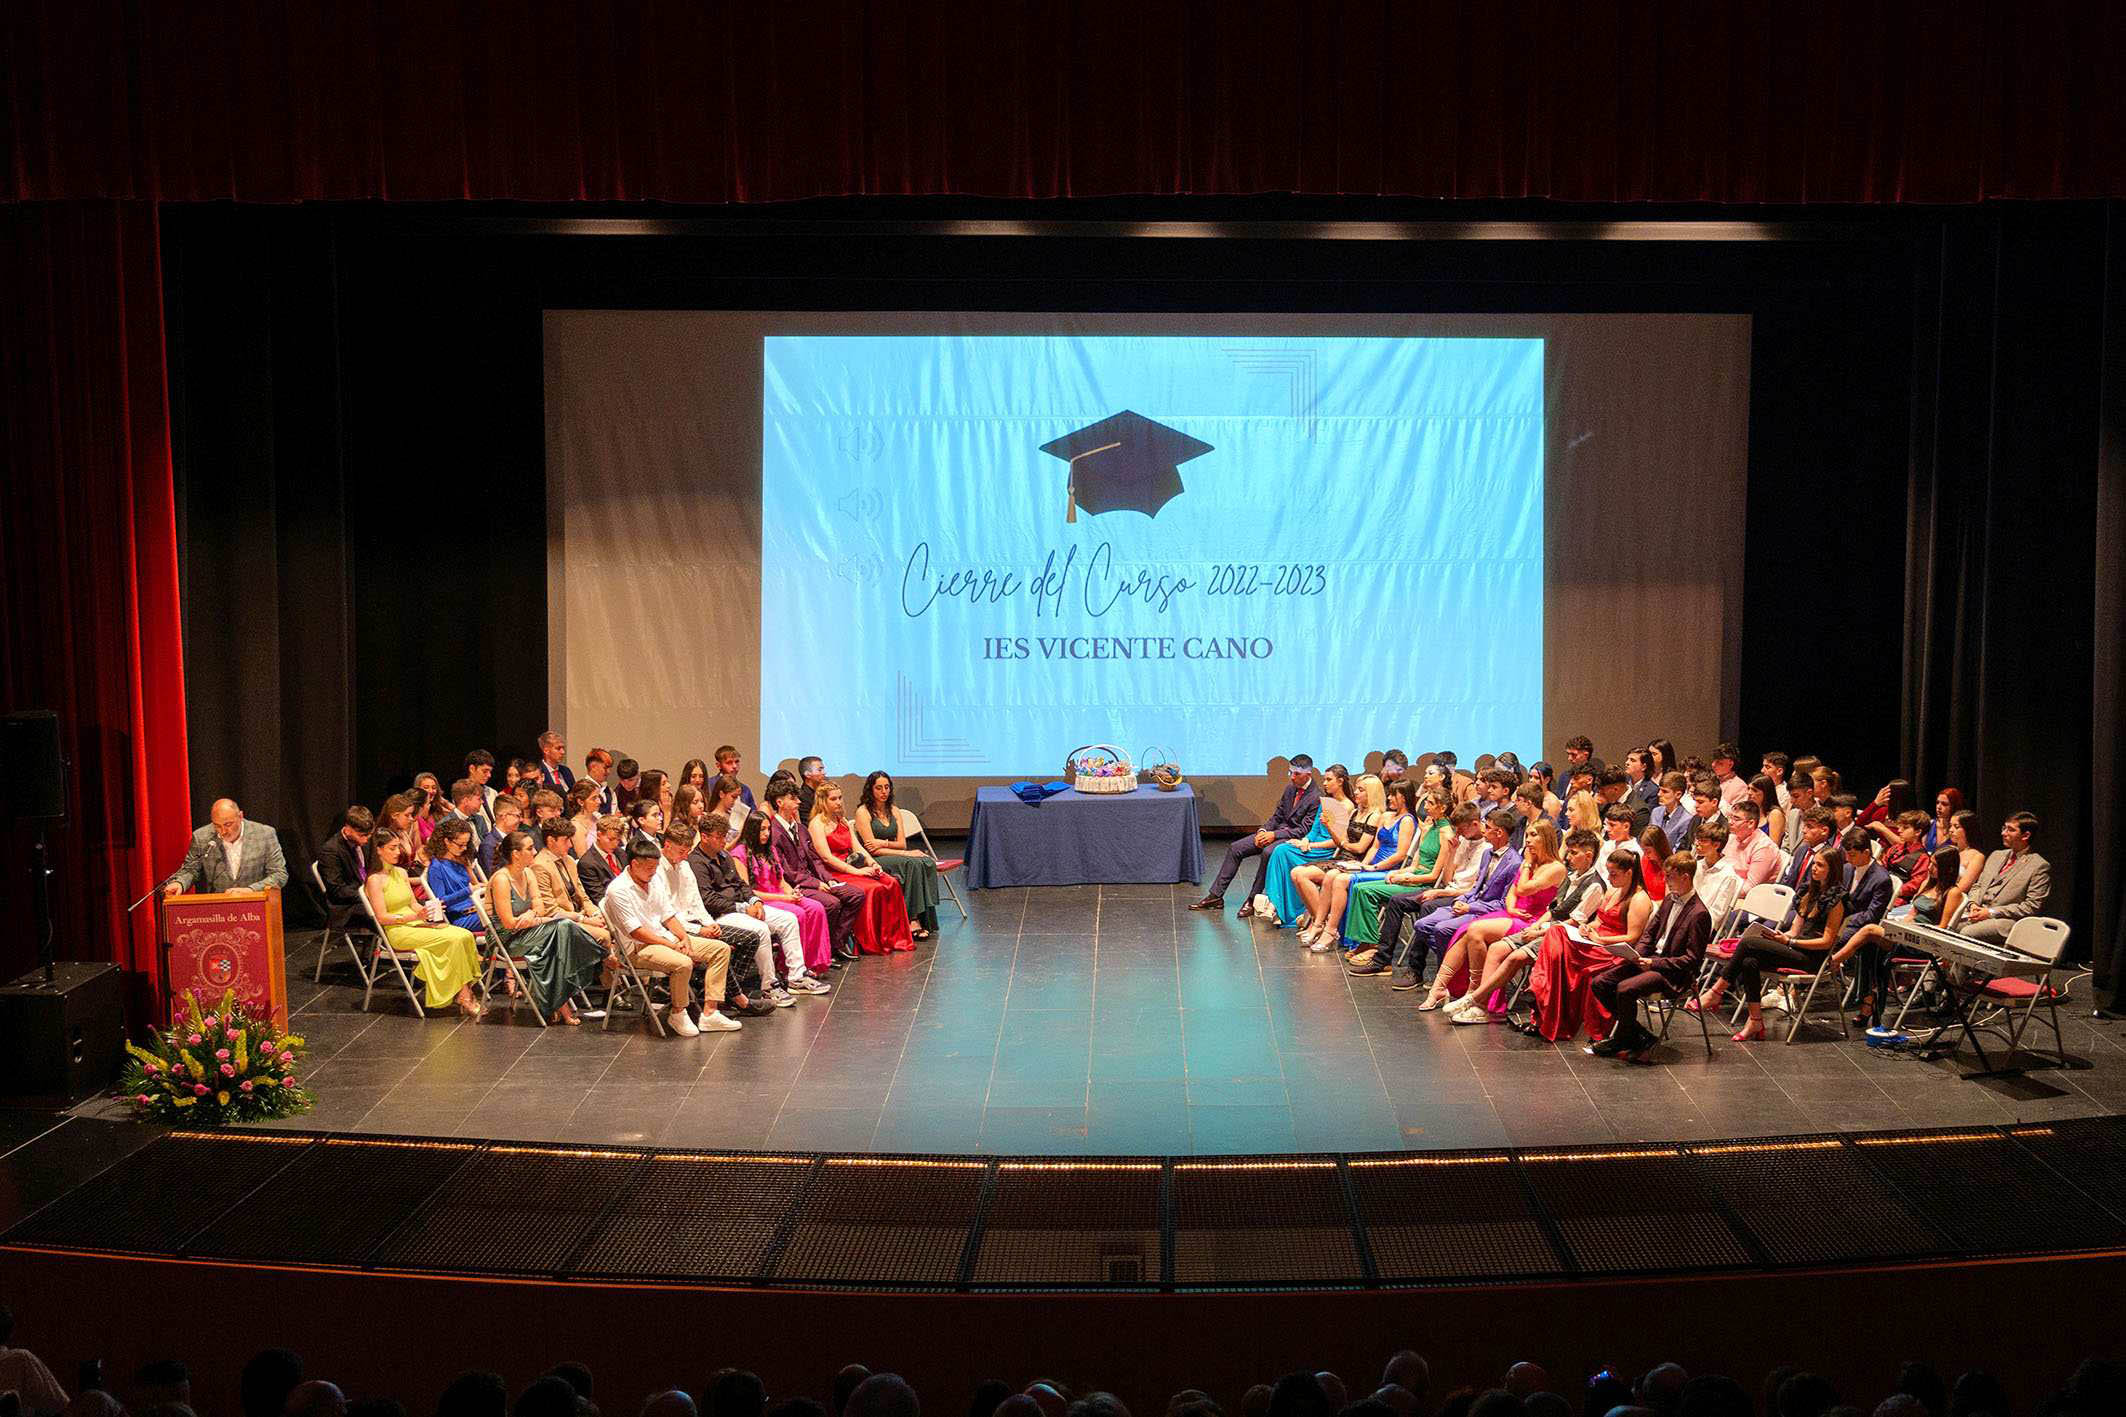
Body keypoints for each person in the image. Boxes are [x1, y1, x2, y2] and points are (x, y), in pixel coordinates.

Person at [1433, 827, 1605, 1020]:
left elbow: (1572, 921)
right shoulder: (1572, 877)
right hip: (1539, 924)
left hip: (1563, 936)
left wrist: (1538, 930)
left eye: (1574, 853)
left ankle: (1475, 1000)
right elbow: (1552, 909)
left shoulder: (1590, 883)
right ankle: (1470, 1000)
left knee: (1507, 952)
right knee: (1491, 945)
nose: (1569, 856)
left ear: (1588, 856)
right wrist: (1535, 925)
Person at [1694, 848, 1845, 1041]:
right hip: (1795, 948)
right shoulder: (1808, 892)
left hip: (1813, 958)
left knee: (1748, 943)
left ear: (1832, 870)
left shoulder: (1837, 901)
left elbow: (1827, 942)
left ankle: (1716, 991)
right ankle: (1755, 1021)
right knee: (1749, 961)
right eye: (1814, 863)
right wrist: (1780, 937)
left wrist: (1790, 941)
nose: (1814, 868)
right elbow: (1794, 930)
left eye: (1820, 865)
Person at [1416, 818, 1565, 1006]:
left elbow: (1524, 889)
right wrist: (1511, 907)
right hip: (1512, 912)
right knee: (1465, 932)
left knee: (1475, 930)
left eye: (1533, 835)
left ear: (1547, 838)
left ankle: (1474, 992)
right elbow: (1513, 891)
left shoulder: (1555, 868)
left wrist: (1527, 864)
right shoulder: (1529, 862)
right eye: (1527, 835)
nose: (1527, 840)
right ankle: (1439, 988)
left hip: (1531, 918)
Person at [600, 839, 739, 1036]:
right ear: (634, 865)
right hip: (637, 948)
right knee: (683, 962)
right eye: (649, 867)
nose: (653, 871)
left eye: (656, 867)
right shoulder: (618, 890)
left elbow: (668, 915)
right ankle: (678, 1012)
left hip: (663, 938)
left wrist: (683, 937)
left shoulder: (653, 879)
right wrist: (671, 945)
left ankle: (710, 1013)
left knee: (720, 949)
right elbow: (636, 932)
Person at [1523, 844, 1653, 1042]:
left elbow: (1632, 937)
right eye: (1608, 873)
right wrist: (1587, 928)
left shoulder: (1639, 899)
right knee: (1556, 932)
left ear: (1629, 873)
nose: (1609, 879)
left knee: (1562, 947)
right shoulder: (1612, 891)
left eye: (1614, 874)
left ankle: (1540, 989)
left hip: (1612, 950)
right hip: (1595, 941)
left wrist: (1600, 939)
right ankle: (1542, 990)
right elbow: (1599, 921)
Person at [1586, 855, 1713, 1058]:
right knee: (1600, 982)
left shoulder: (1699, 914)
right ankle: (1638, 1036)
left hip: (1673, 973)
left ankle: (1623, 1039)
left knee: (1624, 989)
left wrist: (1654, 963)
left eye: (1670, 877)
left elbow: (1692, 960)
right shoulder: (1670, 900)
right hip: (1650, 960)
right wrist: (1637, 955)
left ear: (1686, 877)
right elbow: (1649, 935)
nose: (1665, 881)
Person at [692, 814, 826, 1002]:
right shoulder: (696, 863)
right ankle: (769, 986)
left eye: (725, 836)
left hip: (741, 906)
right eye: (719, 836)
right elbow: (708, 900)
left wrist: (755, 901)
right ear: (704, 837)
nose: (724, 840)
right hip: (720, 915)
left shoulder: (723, 856)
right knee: (761, 929)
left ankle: (796, 977)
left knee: (788, 920)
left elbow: (742, 884)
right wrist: (742, 908)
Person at [1385, 809, 1522, 989]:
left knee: (1442, 929)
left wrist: (1469, 908)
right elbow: (1475, 888)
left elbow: (1502, 903)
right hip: (1469, 901)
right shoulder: (1488, 854)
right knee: (1422, 925)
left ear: (1499, 832)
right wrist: (1463, 900)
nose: (1483, 829)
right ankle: (1455, 969)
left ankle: (1448, 980)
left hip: (1487, 912)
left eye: (1487, 827)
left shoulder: (1514, 863)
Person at [489, 829, 603, 1024]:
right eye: (530, 848)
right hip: (508, 938)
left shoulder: (527, 872)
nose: (535, 852)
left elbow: (539, 908)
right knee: (564, 927)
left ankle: (558, 1003)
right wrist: (534, 918)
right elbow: (509, 923)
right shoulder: (501, 879)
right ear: (516, 854)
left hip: (531, 929)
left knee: (559, 940)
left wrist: (530, 914)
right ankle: (599, 956)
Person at [363, 832, 484, 1017]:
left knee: (464, 935)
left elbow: (412, 904)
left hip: (415, 922)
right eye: (392, 848)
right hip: (398, 930)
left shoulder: (401, 872)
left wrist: (429, 914)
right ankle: (465, 995)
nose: (398, 852)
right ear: (378, 850)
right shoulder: (374, 880)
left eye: (398, 847)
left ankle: (462, 991)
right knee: (452, 940)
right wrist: (413, 919)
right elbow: (381, 917)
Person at [658, 825, 770, 1015]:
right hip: (676, 929)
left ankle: (723, 991)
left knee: (750, 938)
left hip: (696, 922)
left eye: (687, 851)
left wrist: (710, 923)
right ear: (667, 845)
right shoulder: (657, 870)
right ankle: (735, 997)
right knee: (720, 945)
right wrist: (699, 931)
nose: (686, 856)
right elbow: (665, 915)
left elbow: (696, 902)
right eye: (681, 851)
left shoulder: (684, 865)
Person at [1193, 755, 1322, 915]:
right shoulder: (1290, 789)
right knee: (1236, 848)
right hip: (1275, 832)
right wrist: (1263, 830)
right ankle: (1216, 896)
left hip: (1292, 839)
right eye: (1290, 773)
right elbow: (1277, 815)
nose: (1292, 777)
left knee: (1268, 852)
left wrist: (1274, 835)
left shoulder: (1316, 797)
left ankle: (1252, 899)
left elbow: (1303, 830)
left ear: (1308, 775)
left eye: (1296, 774)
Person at [1305, 778, 1418, 952]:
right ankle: (1319, 924)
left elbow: (1400, 855)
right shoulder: (1386, 816)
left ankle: (1331, 930)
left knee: (1341, 879)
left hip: (1388, 869)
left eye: (1393, 795)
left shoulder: (1407, 821)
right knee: (1331, 875)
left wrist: (1375, 867)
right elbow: (1375, 847)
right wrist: (1361, 865)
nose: (1389, 798)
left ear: (1403, 797)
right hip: (1372, 865)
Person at [765, 778, 867, 959]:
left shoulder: (800, 829)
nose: (798, 801)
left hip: (814, 879)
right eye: (793, 798)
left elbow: (815, 859)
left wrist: (827, 879)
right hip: (796, 885)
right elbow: (787, 872)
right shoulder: (774, 832)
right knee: (831, 903)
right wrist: (815, 884)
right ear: (780, 803)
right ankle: (824, 950)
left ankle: (836, 944)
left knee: (855, 895)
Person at [810, 782, 916, 954]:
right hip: (836, 872)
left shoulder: (841, 820)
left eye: (840, 798)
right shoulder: (817, 824)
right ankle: (871, 941)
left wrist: (873, 863)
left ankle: (894, 938)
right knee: (873, 889)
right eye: (833, 799)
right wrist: (858, 872)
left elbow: (857, 847)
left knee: (890, 882)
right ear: (823, 801)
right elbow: (826, 858)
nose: (838, 802)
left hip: (852, 865)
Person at [1342, 784, 1449, 954]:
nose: (1425, 807)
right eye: (1426, 802)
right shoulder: (1429, 829)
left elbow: (1434, 876)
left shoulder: (1446, 834)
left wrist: (1406, 878)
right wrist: (1399, 872)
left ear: (1442, 808)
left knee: (1365, 891)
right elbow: (1414, 865)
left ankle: (1371, 943)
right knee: (1358, 887)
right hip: (1413, 876)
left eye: (1430, 803)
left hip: (1422, 884)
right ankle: (1364, 941)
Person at [736, 811, 834, 976]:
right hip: (761, 900)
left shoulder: (770, 850)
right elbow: (748, 891)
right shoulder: (740, 852)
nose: (767, 834)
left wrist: (792, 892)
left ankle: (812, 963)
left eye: (768, 829)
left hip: (780, 895)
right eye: (762, 830)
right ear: (751, 830)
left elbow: (781, 882)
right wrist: (785, 897)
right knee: (798, 913)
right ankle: (789, 967)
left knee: (816, 908)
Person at [1263, 764, 1356, 928]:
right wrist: (1305, 840)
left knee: (1284, 852)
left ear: (1340, 781)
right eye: (1324, 779)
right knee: (1281, 850)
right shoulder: (1326, 801)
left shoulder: (1347, 806)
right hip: (1313, 844)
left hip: (1326, 850)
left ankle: (1284, 908)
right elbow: (1314, 830)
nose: (1325, 784)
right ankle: (1276, 904)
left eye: (1329, 780)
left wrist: (1312, 846)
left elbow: (1337, 841)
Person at [854, 771, 942, 939]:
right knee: (913, 863)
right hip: (876, 860)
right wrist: (905, 853)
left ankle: (920, 918)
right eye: (879, 788)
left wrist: (884, 843)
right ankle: (912, 919)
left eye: (887, 787)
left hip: (891, 853)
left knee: (925, 862)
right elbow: (872, 849)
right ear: (870, 790)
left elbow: (901, 843)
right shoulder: (863, 812)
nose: (884, 791)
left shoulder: (894, 810)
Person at [1829, 827, 1897, 1027]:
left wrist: (1845, 920)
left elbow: (1872, 915)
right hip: (1844, 920)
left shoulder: (1881, 879)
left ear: (1866, 853)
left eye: (1852, 854)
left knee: (1830, 941)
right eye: (1847, 854)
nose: (1848, 859)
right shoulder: (1848, 869)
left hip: (1860, 926)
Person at [1957, 810, 2050, 946]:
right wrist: (1973, 904)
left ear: (2026, 835)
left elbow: (2031, 906)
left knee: (1967, 933)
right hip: (1978, 912)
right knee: (1949, 925)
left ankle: (1962, 968)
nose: (2003, 833)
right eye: (2004, 828)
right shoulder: (1996, 855)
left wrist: (1990, 912)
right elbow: (1978, 885)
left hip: (2006, 920)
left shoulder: (2039, 866)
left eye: (2010, 830)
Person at [165, 798, 289, 895]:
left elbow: (279, 874)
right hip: (219, 912)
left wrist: (251, 890)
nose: (223, 831)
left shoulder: (264, 834)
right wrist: (180, 883)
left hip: (258, 906)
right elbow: (190, 870)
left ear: (240, 816)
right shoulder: (202, 837)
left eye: (228, 824)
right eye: (217, 826)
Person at [316, 805, 376, 933]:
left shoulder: (365, 841)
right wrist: (367, 895)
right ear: (348, 830)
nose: (366, 839)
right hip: (346, 907)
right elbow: (337, 890)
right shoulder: (331, 850)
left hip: (366, 894)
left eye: (369, 835)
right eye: (362, 835)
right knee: (381, 911)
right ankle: (376, 950)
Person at [420, 820, 484, 930]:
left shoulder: (461, 860)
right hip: (461, 917)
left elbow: (476, 885)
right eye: (460, 845)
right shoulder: (436, 867)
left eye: (466, 844)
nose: (464, 848)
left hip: (476, 909)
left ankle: (506, 942)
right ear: (447, 841)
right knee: (502, 915)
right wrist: (468, 891)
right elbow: (441, 902)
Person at [1721, 799, 1780, 887]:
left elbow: (1749, 887)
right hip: (1726, 886)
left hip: (1750, 897)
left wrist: (1719, 888)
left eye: (1736, 819)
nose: (1730, 822)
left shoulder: (1764, 848)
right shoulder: (1731, 838)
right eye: (1730, 817)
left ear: (1751, 823)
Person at [576, 814, 630, 903]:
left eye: (618, 840)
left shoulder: (620, 853)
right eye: (611, 839)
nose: (615, 844)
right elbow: (599, 898)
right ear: (599, 835)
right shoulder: (587, 863)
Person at [1648, 771, 1694, 852]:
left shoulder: (1686, 820)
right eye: (1659, 790)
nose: (1659, 794)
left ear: (1678, 794)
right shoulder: (1656, 812)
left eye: (1665, 791)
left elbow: (1678, 851)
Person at [441, 778, 494, 845]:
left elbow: (487, 844)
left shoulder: (480, 819)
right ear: (466, 801)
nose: (482, 802)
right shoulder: (445, 824)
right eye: (479, 799)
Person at [479, 796, 524, 877]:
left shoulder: (519, 838)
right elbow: (493, 877)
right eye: (517, 815)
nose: (521, 820)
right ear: (503, 816)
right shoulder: (488, 845)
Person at [711, 773, 752, 842]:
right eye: (733, 797)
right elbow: (722, 848)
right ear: (721, 794)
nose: (736, 801)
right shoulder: (713, 818)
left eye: (738, 797)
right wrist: (740, 833)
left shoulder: (733, 814)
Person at [1710, 742, 1748, 810]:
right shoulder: (1710, 779)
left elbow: (1737, 814)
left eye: (1719, 763)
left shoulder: (1740, 787)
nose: (1713, 764)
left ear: (1730, 764)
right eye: (1714, 761)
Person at [583, 747, 619, 815]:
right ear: (593, 767)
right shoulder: (582, 789)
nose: (609, 772)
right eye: (605, 768)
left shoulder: (609, 791)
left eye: (609, 768)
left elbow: (615, 813)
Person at [797, 756, 828, 822]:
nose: (824, 773)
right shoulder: (801, 798)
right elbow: (808, 824)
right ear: (807, 774)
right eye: (819, 770)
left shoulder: (825, 792)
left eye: (823, 769)